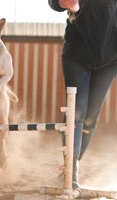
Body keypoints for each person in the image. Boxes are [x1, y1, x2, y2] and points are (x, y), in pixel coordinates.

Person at [48, 0, 117, 189]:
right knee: (77, 113)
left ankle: (74, 162)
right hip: (76, 56)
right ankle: (71, 170)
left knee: (90, 118)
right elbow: (54, 2)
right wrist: (60, 3)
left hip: (110, 59)